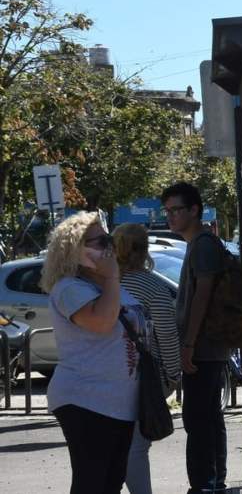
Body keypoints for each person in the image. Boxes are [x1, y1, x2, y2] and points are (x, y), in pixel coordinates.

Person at [40, 211, 145, 494]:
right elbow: (101, 322)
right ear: (75, 251)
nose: (109, 248)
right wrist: (111, 277)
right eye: (100, 243)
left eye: (109, 239)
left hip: (119, 402)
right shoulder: (69, 288)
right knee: (92, 482)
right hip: (85, 400)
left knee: (111, 481)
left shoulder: (109, 285)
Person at [161, 182, 229, 494]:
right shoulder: (199, 243)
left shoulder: (202, 245)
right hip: (207, 347)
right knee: (208, 417)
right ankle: (212, 482)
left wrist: (188, 344)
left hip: (203, 348)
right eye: (167, 211)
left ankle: (204, 484)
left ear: (194, 210)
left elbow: (202, 294)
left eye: (176, 210)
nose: (170, 216)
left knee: (198, 420)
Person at [113, 223, 182, 494]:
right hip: (140, 376)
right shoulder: (153, 286)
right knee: (137, 446)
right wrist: (173, 376)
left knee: (112, 444)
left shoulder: (103, 283)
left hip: (104, 375)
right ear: (144, 250)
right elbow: (166, 336)